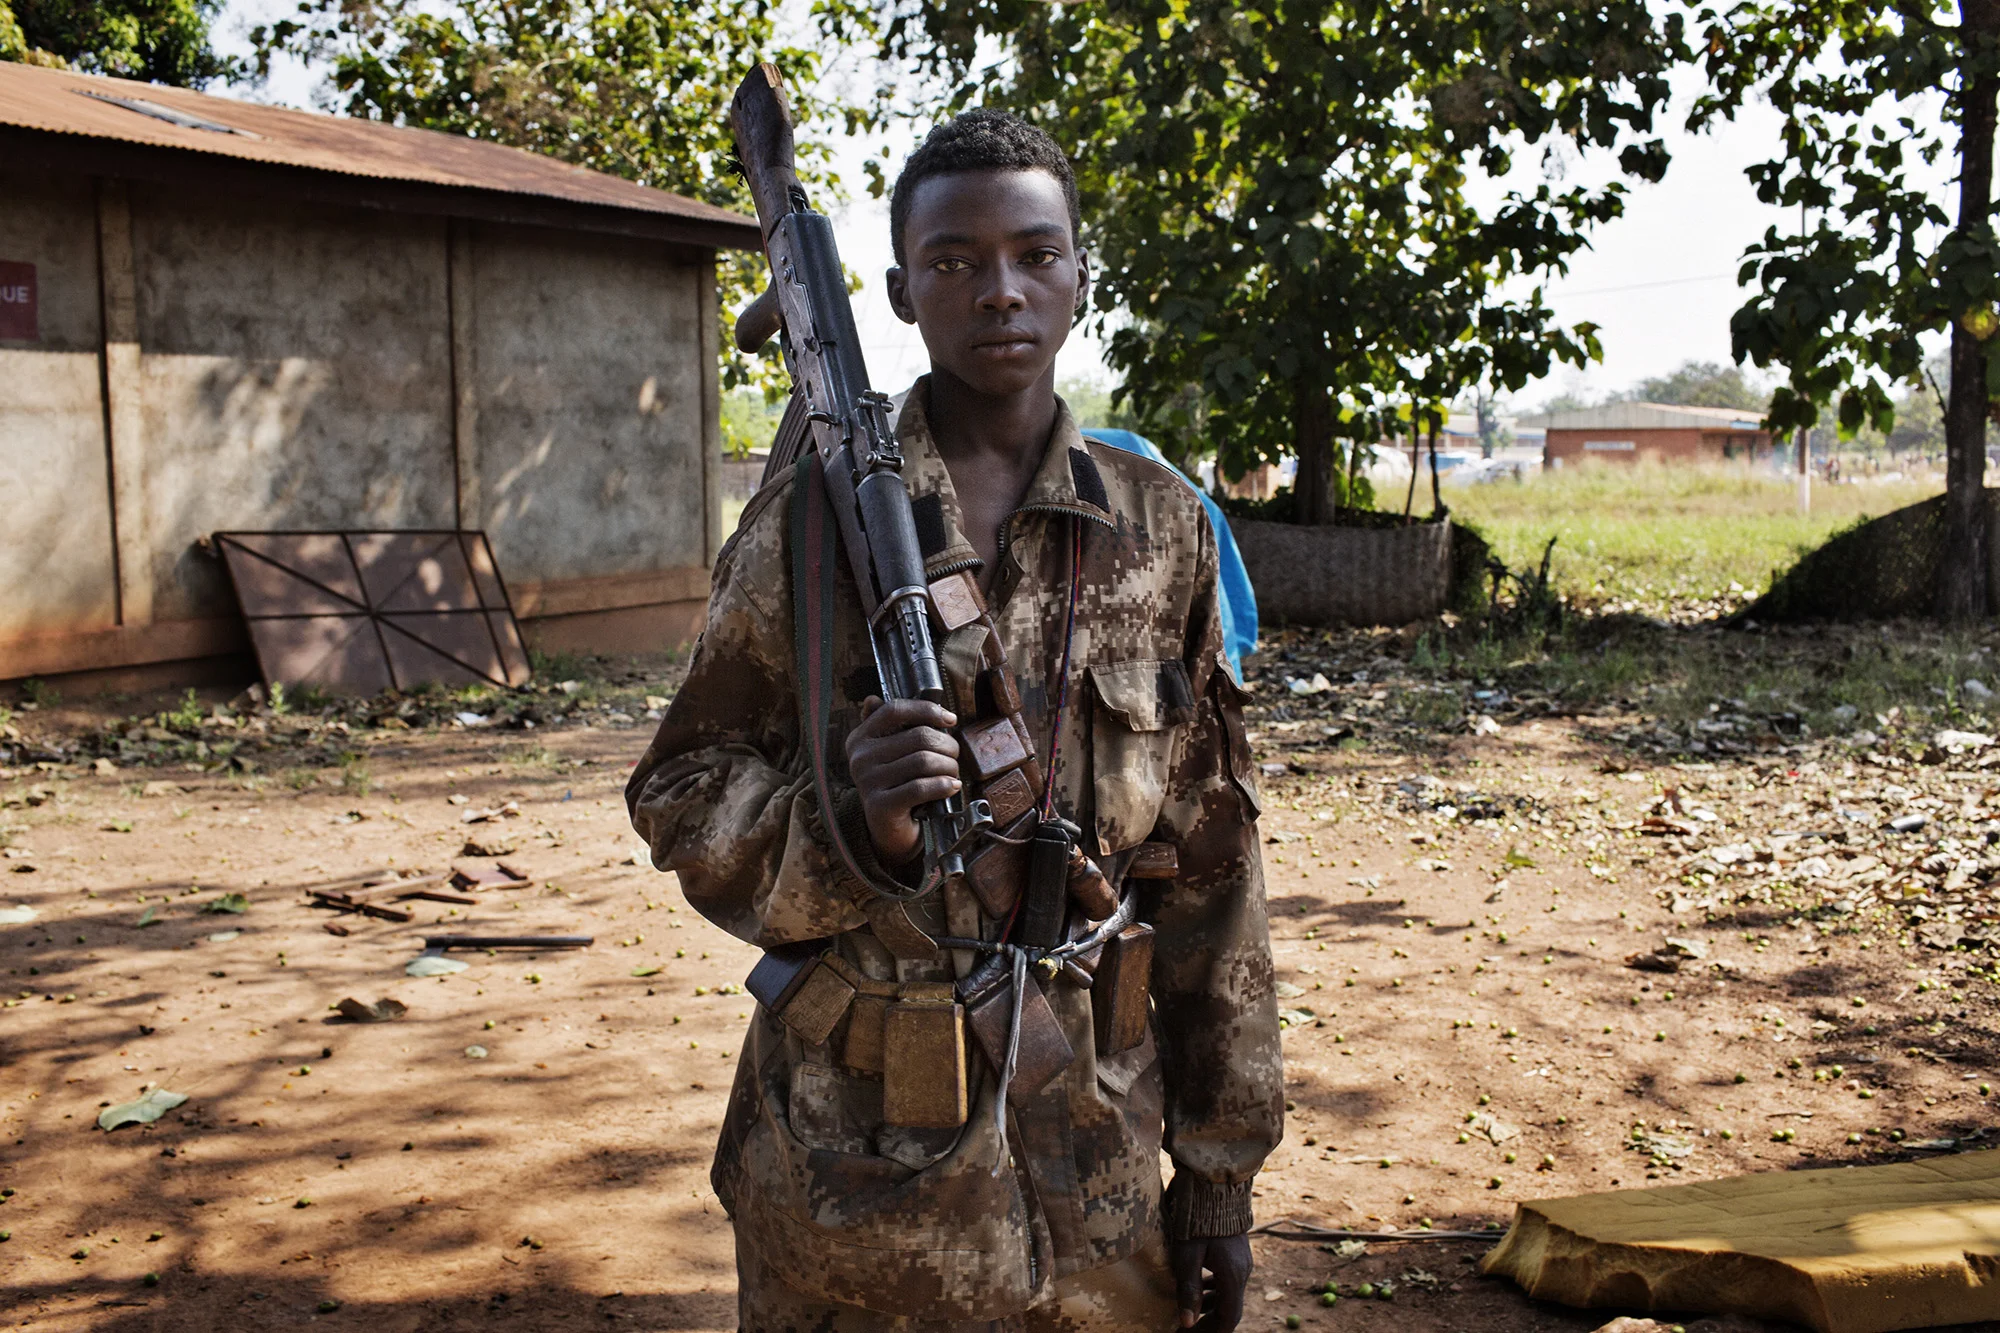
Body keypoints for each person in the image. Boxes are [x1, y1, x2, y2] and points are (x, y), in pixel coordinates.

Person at [628, 109, 1281, 1333]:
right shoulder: (808, 521)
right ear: (899, 291)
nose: (999, 291)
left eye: (1034, 254)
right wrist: (849, 825)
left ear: (1080, 275)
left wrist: (1215, 1180)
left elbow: (1209, 864)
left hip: (1099, 1172)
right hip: (856, 1182)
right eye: (953, 260)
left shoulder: (1161, 528)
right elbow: (681, 785)